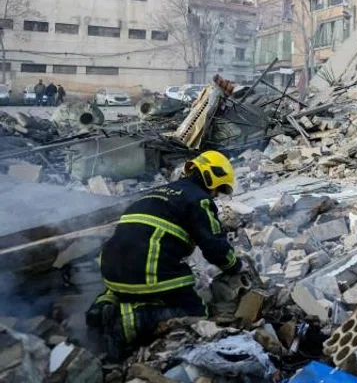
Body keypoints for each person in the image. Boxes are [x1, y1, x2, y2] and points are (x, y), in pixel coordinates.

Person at [87, 150, 242, 360]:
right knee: (197, 313)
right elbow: (214, 246)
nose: (216, 195)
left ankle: (102, 307)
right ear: (212, 176)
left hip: (111, 269)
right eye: (219, 189)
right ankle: (125, 322)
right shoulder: (199, 200)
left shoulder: (158, 192)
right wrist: (234, 265)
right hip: (147, 268)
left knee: (129, 287)